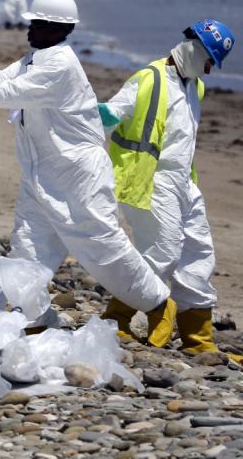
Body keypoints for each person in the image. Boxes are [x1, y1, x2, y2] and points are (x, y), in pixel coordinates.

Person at [0, 0, 177, 346]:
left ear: (60, 29)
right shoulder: (34, 60)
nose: (30, 30)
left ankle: (159, 304)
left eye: (38, 24)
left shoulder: (60, 65)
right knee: (28, 246)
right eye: (32, 23)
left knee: (102, 245)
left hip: (78, 175)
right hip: (40, 173)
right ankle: (35, 317)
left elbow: (10, 94)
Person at [99, 20, 239, 360]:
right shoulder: (149, 79)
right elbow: (108, 115)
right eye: (209, 60)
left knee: (198, 252)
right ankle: (115, 318)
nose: (209, 69)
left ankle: (198, 338)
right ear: (196, 47)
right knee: (163, 251)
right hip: (150, 179)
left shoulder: (195, 86)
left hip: (184, 183)